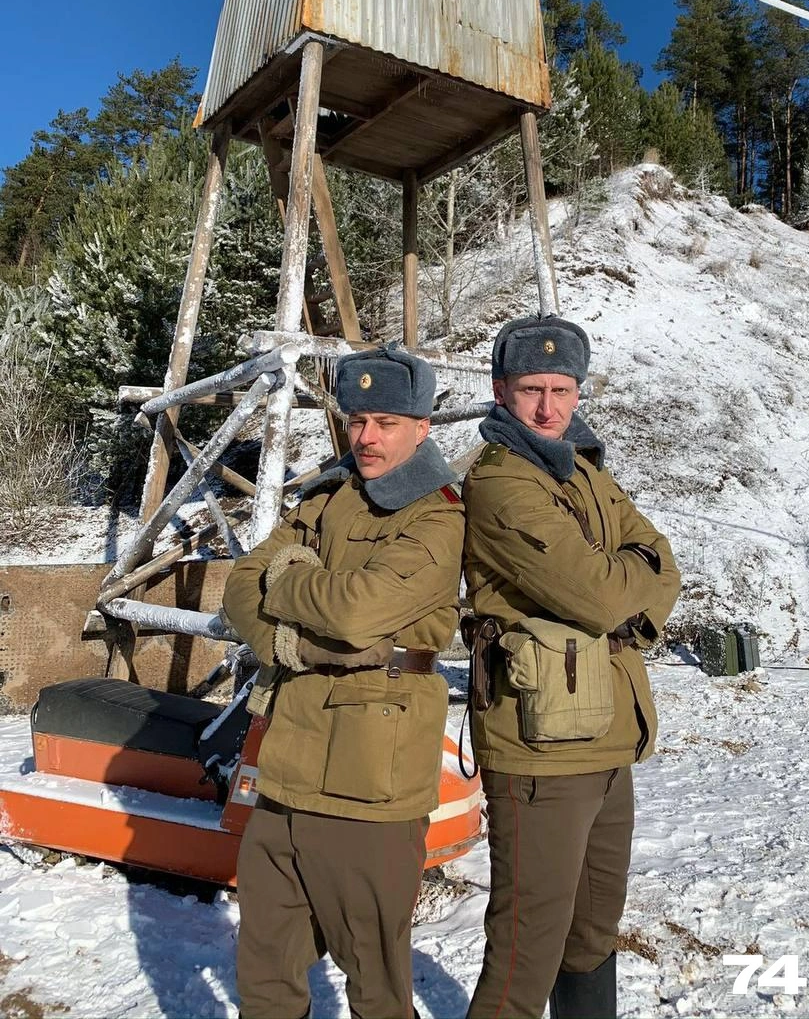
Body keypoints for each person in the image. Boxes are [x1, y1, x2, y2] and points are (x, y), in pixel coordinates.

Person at [222, 344, 465, 1019]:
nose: (366, 437)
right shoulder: (328, 495)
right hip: (288, 764)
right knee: (266, 975)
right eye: (357, 419)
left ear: (421, 426)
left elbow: (359, 612)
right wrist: (280, 639)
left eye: (385, 421)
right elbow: (241, 583)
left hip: (370, 781)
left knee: (376, 985)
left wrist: (289, 581)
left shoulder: (437, 515)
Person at [462, 313, 681, 1019]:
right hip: (539, 749)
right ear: (501, 391)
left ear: (579, 393)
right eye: (531, 389)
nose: (547, 406)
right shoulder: (502, 481)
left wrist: (627, 583)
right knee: (526, 952)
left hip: (609, 735)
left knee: (590, 937)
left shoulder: (583, 470)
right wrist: (626, 582)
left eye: (561, 388)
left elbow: (661, 560)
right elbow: (600, 591)